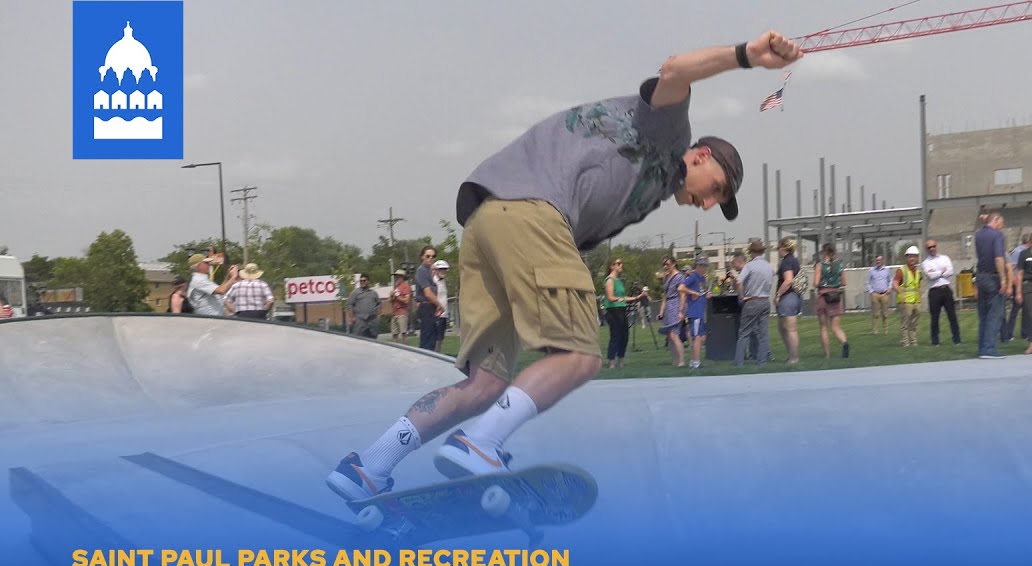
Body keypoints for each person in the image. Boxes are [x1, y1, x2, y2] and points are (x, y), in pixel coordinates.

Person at [327, 30, 802, 504]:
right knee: (580, 355)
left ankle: (369, 466)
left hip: (485, 223)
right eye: (715, 188)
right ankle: (480, 442)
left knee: (485, 383)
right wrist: (747, 56)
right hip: (533, 212)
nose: (707, 204)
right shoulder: (666, 135)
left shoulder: (651, 190)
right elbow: (676, 69)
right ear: (699, 155)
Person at [974, 213, 1010, 359]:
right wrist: (1003, 279)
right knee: (994, 314)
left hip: (980, 275)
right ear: (996, 221)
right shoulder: (997, 236)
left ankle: (982, 347)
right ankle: (989, 348)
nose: (1002, 226)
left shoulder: (978, 235)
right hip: (992, 276)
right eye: (1001, 223)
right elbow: (999, 258)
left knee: (983, 315)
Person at [922, 239, 960, 345]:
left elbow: (950, 271)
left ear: (936, 246)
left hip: (946, 290)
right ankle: (935, 341)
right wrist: (942, 271)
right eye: (929, 247)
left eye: (933, 246)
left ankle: (956, 339)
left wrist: (936, 272)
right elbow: (930, 276)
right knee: (935, 317)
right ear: (927, 249)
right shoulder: (926, 262)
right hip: (934, 292)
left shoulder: (945, 258)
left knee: (952, 316)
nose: (932, 249)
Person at [602, 257, 639, 368]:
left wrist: (637, 297)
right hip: (613, 311)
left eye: (621, 263)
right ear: (612, 266)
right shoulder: (609, 280)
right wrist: (621, 299)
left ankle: (621, 361)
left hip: (622, 310)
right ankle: (612, 362)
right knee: (615, 335)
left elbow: (622, 297)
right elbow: (610, 297)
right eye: (618, 263)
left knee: (624, 336)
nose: (620, 265)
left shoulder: (618, 280)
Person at [814, 242, 849, 359]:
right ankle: (844, 342)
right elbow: (844, 282)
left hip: (824, 296)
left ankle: (827, 355)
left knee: (824, 327)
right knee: (836, 326)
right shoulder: (839, 265)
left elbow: (816, 283)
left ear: (824, 252)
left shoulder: (820, 265)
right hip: (835, 297)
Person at [657, 256, 688, 367]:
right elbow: (665, 295)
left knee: (675, 334)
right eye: (664, 265)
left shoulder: (679, 277)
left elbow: (683, 294)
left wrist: (681, 310)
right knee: (670, 336)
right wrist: (661, 311)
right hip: (668, 306)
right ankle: (675, 360)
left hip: (676, 304)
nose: (666, 267)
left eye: (668, 264)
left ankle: (681, 361)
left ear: (674, 264)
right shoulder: (666, 277)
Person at [775, 236, 801, 364]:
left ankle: (794, 357)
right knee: (782, 327)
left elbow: (788, 280)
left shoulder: (786, 262)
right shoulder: (794, 260)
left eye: (778, 247)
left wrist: (778, 294)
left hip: (788, 296)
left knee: (790, 329)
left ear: (784, 247)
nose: (777, 250)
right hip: (794, 296)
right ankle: (791, 354)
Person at [892, 246, 923, 347]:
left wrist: (920, 297)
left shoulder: (918, 271)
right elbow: (895, 284)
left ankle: (913, 341)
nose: (912, 258)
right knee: (905, 323)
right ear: (906, 258)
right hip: (905, 301)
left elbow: (917, 285)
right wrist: (900, 293)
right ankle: (905, 342)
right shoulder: (902, 270)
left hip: (916, 300)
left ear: (917, 257)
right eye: (910, 256)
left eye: (914, 256)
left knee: (914, 323)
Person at [683, 257, 711, 369]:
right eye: (703, 266)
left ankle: (693, 359)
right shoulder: (693, 277)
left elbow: (701, 292)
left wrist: (706, 295)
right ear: (698, 266)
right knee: (697, 337)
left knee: (702, 337)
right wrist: (692, 292)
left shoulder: (702, 278)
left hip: (701, 310)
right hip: (695, 311)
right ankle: (696, 362)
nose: (704, 269)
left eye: (705, 266)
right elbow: (681, 287)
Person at [346, 274, 382, 339]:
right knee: (359, 338)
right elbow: (349, 304)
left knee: (373, 338)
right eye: (361, 281)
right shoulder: (355, 292)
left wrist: (378, 315)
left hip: (372, 320)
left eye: (364, 280)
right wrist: (351, 317)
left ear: (368, 281)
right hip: (360, 320)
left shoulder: (373, 293)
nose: (362, 282)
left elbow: (379, 304)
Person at [866, 255, 892, 335]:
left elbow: (890, 280)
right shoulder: (872, 270)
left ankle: (885, 330)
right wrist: (871, 291)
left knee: (885, 314)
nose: (878, 262)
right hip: (875, 294)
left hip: (885, 294)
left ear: (882, 260)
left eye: (880, 260)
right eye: (877, 260)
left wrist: (889, 288)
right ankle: (874, 330)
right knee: (875, 313)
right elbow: (868, 282)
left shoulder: (887, 270)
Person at [390, 269, 412, 343]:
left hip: (402, 312)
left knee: (404, 333)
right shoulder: (396, 287)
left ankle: (406, 350)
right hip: (395, 313)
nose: (396, 278)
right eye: (395, 276)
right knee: (394, 334)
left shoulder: (406, 286)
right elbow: (391, 300)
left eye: (398, 276)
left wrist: (397, 297)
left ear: (402, 277)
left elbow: (406, 300)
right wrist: (392, 296)